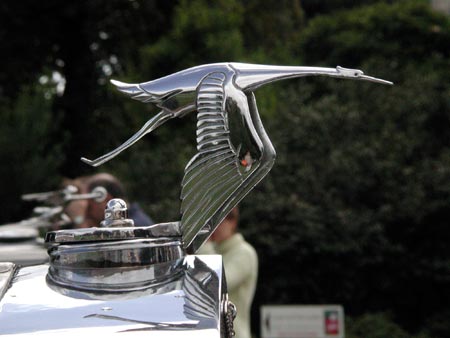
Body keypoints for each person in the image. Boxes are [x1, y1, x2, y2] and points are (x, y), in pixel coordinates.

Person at [199, 207, 258, 338]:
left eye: (218, 222)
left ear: (233, 223)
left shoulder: (244, 253)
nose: (213, 228)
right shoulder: (213, 251)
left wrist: (204, 244)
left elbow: (218, 284)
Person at [66, 173, 154, 228]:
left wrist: (80, 221)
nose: (87, 213)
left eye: (88, 206)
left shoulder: (134, 227)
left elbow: (96, 256)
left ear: (106, 199)